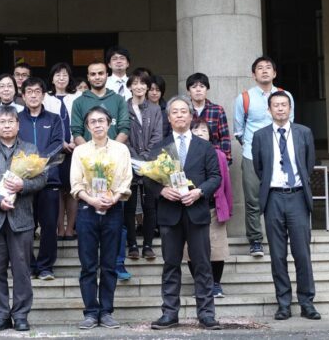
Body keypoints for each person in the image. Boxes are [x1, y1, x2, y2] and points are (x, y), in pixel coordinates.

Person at [145, 96, 222, 331]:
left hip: (196, 212)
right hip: (170, 214)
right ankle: (169, 313)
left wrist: (199, 192)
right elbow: (148, 179)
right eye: (174, 112)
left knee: (201, 265)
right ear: (168, 118)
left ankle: (206, 314)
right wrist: (162, 190)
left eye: (183, 112)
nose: (179, 115)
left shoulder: (205, 146)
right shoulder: (159, 148)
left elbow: (216, 177)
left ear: (190, 116)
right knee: (170, 264)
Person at [0, 105, 47, 332]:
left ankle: (21, 315)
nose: (6, 126)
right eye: (2, 122)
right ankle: (1, 316)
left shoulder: (29, 148)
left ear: (18, 124)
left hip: (21, 218)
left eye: (10, 122)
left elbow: (42, 179)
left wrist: (24, 185)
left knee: (22, 270)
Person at [252, 91, 320, 321]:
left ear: (290, 109)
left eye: (284, 105)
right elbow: (259, 168)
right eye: (276, 105)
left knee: (302, 253)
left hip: (298, 197)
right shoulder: (260, 136)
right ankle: (283, 303)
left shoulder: (304, 133)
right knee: (278, 255)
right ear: (269, 110)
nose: (280, 109)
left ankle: (307, 302)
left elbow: (308, 164)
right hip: (273, 198)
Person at [70, 106, 133, 329]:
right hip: (87, 210)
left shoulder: (120, 150)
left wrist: (114, 198)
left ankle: (106, 311)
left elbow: (126, 179)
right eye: (93, 122)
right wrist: (92, 199)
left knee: (108, 264)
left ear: (109, 123)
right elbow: (76, 183)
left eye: (101, 121)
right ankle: (90, 312)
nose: (97, 125)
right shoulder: (81, 152)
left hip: (113, 210)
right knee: (88, 265)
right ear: (87, 127)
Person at [70, 60, 131, 279]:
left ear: (107, 74)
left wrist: (112, 150)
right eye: (92, 74)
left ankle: (119, 262)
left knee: (117, 223)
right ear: (88, 77)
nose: (97, 77)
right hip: (88, 174)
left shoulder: (117, 99)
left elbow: (124, 127)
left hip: (114, 170)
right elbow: (76, 130)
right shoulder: (79, 102)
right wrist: (91, 156)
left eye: (100, 73)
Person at [233, 56, 295, 258]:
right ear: (254, 74)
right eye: (260, 68)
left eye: (268, 68)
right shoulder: (244, 98)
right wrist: (254, 147)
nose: (265, 71)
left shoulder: (285, 96)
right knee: (252, 199)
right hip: (252, 154)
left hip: (280, 154)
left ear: (275, 73)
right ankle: (256, 240)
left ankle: (278, 236)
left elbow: (290, 125)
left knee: (278, 196)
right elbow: (239, 130)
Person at [18, 77, 64, 280]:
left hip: (49, 181)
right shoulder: (17, 119)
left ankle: (45, 266)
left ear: (43, 94)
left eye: (37, 91)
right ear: (23, 96)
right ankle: (27, 265)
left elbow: (58, 144)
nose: (33, 95)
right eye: (29, 91)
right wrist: (26, 166)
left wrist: (40, 161)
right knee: (26, 226)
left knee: (48, 226)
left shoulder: (54, 119)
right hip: (24, 182)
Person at [189, 117, 233, 299]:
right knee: (191, 250)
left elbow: (226, 185)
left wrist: (228, 208)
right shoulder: (185, 154)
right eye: (196, 130)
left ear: (210, 135)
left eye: (204, 131)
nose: (200, 134)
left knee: (217, 249)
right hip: (191, 207)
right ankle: (200, 283)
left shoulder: (220, 155)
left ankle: (215, 283)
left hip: (214, 208)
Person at [125, 72, 163, 261]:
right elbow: (123, 135)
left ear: (148, 87)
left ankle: (148, 245)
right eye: (135, 83)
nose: (139, 87)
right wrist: (134, 158)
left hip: (150, 163)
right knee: (130, 206)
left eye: (143, 84)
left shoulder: (155, 109)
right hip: (128, 162)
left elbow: (158, 135)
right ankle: (132, 244)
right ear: (130, 86)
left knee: (150, 206)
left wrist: (146, 156)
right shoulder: (123, 108)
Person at [44, 62, 80, 241]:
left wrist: (74, 141)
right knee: (57, 189)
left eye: (64, 75)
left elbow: (81, 120)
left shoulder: (77, 96)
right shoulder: (45, 98)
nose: (61, 78)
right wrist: (61, 142)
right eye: (57, 75)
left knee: (73, 188)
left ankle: (70, 228)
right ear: (52, 78)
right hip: (54, 150)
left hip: (76, 149)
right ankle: (59, 228)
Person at [187, 72, 232, 165]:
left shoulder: (217, 110)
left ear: (207, 89)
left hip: (213, 157)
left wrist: (225, 160)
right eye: (194, 87)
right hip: (189, 157)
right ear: (188, 91)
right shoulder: (184, 111)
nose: (198, 90)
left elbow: (225, 137)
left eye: (202, 86)